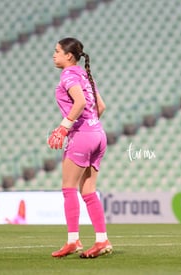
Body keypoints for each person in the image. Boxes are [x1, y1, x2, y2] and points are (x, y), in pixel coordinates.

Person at [48, 37, 112, 258]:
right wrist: (90, 127)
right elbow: (100, 106)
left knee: (68, 188)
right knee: (88, 191)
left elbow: (80, 103)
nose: (54, 55)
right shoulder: (85, 74)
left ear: (69, 55)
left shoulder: (68, 75)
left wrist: (65, 128)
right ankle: (102, 240)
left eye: (57, 51)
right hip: (98, 134)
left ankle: (73, 241)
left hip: (83, 137)